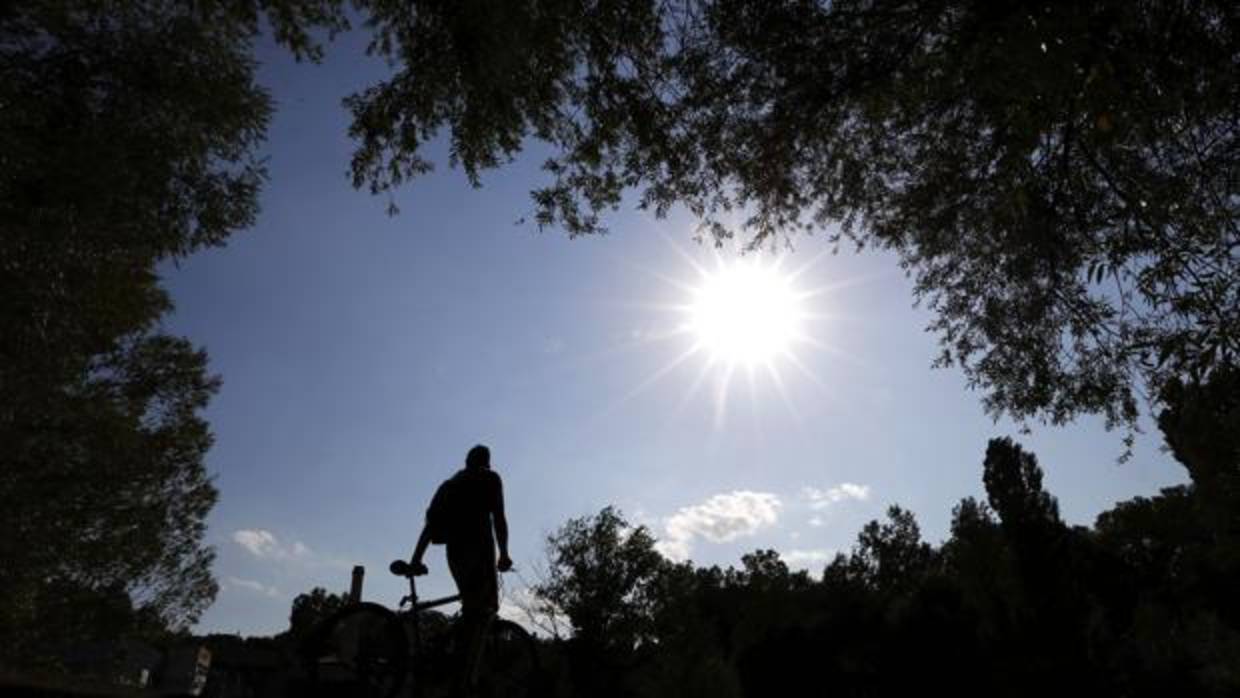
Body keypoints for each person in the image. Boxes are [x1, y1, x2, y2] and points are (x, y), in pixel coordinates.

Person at [409, 444, 512, 696]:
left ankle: (455, 665)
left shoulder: (451, 485)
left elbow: (430, 525)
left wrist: (416, 559)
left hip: (455, 553)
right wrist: (505, 553)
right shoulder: (489, 479)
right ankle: (466, 679)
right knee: (483, 612)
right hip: (479, 551)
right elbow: (498, 517)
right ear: (487, 462)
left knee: (471, 608)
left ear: (466, 461)